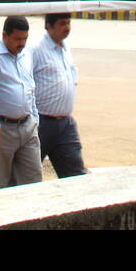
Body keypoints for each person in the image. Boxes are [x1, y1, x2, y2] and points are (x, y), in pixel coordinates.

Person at [0, 16, 41, 190]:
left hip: (27, 127)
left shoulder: (26, 55)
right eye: (17, 39)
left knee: (33, 182)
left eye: (25, 39)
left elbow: (30, 87)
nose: (22, 43)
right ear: (5, 35)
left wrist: (34, 118)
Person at [30, 12, 88, 177]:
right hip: (41, 124)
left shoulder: (65, 47)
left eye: (68, 23)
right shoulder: (35, 49)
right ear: (49, 25)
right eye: (62, 24)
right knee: (29, 176)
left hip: (65, 124)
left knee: (76, 176)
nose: (67, 28)